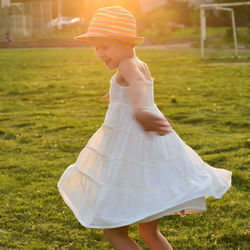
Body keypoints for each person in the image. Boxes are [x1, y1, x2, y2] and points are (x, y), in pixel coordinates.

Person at [57, 6, 232, 250]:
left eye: (104, 47)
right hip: (145, 156)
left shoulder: (128, 65)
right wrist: (116, 95)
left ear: (126, 42)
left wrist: (139, 110)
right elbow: (135, 86)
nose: (98, 53)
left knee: (113, 231)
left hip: (128, 158)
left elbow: (137, 84)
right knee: (149, 231)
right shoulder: (137, 63)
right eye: (95, 47)